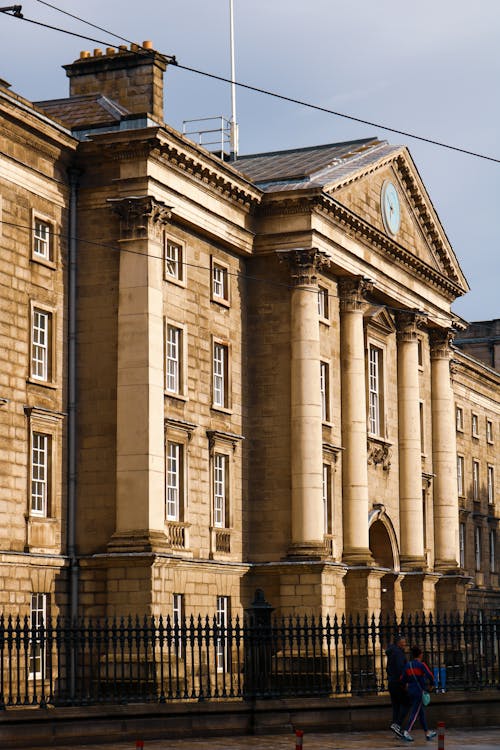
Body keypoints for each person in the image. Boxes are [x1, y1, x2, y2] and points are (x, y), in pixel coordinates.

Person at [400, 645, 436, 742]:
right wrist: (432, 685)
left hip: (411, 691)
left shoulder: (408, 665)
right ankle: (407, 731)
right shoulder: (421, 665)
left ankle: (427, 732)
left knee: (421, 713)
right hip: (419, 691)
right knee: (415, 712)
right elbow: (430, 675)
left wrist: (405, 687)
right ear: (420, 654)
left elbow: (402, 679)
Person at [385, 635, 410, 737]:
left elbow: (388, 668)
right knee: (406, 703)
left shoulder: (391, 652)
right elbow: (401, 669)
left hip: (391, 682)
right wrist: (404, 683)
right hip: (398, 683)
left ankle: (395, 727)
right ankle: (398, 724)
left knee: (396, 706)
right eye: (403, 642)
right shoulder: (398, 653)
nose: (405, 644)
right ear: (399, 643)